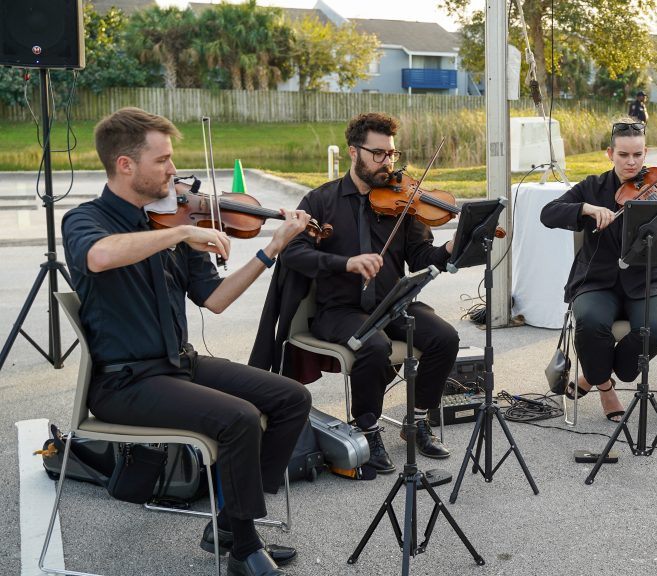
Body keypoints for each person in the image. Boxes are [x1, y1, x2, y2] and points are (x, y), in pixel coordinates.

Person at [61, 107, 313, 576]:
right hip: (124, 383)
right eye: (163, 160)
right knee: (238, 419)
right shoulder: (87, 220)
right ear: (125, 164)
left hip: (178, 364)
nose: (175, 171)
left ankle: (229, 523)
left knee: (290, 397)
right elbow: (97, 257)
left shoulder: (167, 225)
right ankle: (244, 547)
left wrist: (270, 249)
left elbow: (215, 299)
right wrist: (182, 232)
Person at [277, 112, 457, 473]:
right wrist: (345, 263)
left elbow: (421, 256)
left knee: (445, 337)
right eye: (378, 154)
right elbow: (292, 251)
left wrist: (451, 248)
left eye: (391, 153)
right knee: (372, 345)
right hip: (339, 309)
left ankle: (417, 420)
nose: (387, 163)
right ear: (353, 152)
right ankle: (368, 428)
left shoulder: (401, 200)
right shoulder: (321, 200)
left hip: (393, 302)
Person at [540, 120, 657, 422]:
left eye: (637, 155)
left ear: (646, 152)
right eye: (623, 155)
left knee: (655, 328)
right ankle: (605, 387)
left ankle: (595, 375)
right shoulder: (592, 188)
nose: (631, 163)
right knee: (591, 323)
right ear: (610, 153)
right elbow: (548, 213)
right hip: (597, 282)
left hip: (647, 281)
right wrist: (586, 209)